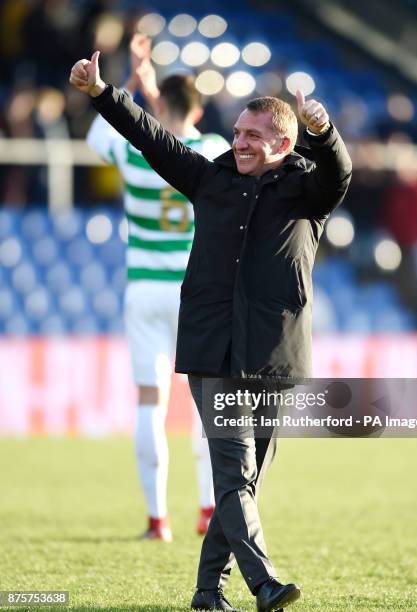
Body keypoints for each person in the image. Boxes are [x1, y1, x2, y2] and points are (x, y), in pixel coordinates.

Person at [70, 50, 352, 611]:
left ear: (283, 144)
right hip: (212, 347)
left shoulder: (307, 191)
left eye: (252, 135)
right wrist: (103, 92)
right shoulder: (210, 178)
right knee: (233, 469)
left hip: (275, 355)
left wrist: (325, 132)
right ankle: (265, 582)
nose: (239, 142)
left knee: (242, 484)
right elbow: (152, 137)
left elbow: (340, 172)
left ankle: (205, 593)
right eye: (238, 132)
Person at [86, 35, 230, 542]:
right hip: (195, 292)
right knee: (204, 400)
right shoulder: (212, 150)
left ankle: (156, 520)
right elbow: (197, 139)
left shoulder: (132, 150)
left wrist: (129, 87)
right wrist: (159, 99)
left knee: (149, 400)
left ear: (159, 103)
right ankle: (209, 511)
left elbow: (96, 137)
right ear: (199, 107)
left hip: (144, 289)